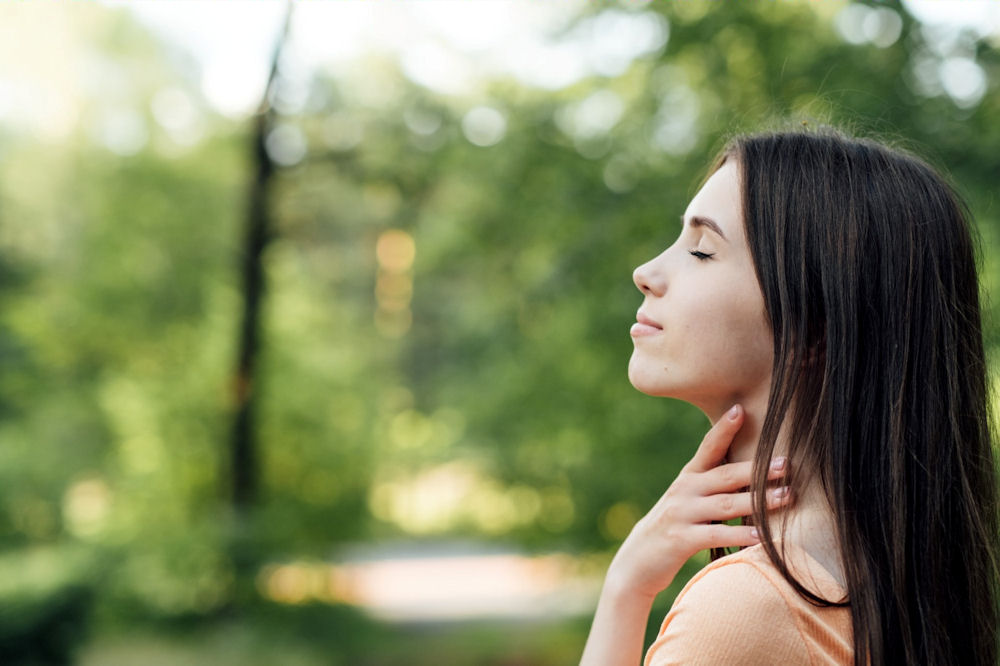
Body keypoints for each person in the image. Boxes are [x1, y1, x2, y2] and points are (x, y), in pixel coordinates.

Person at [579, 127, 1000, 666]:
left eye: (702, 251)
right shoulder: (881, 593)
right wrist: (629, 584)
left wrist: (625, 593)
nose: (646, 273)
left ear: (815, 328)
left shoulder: (747, 610)